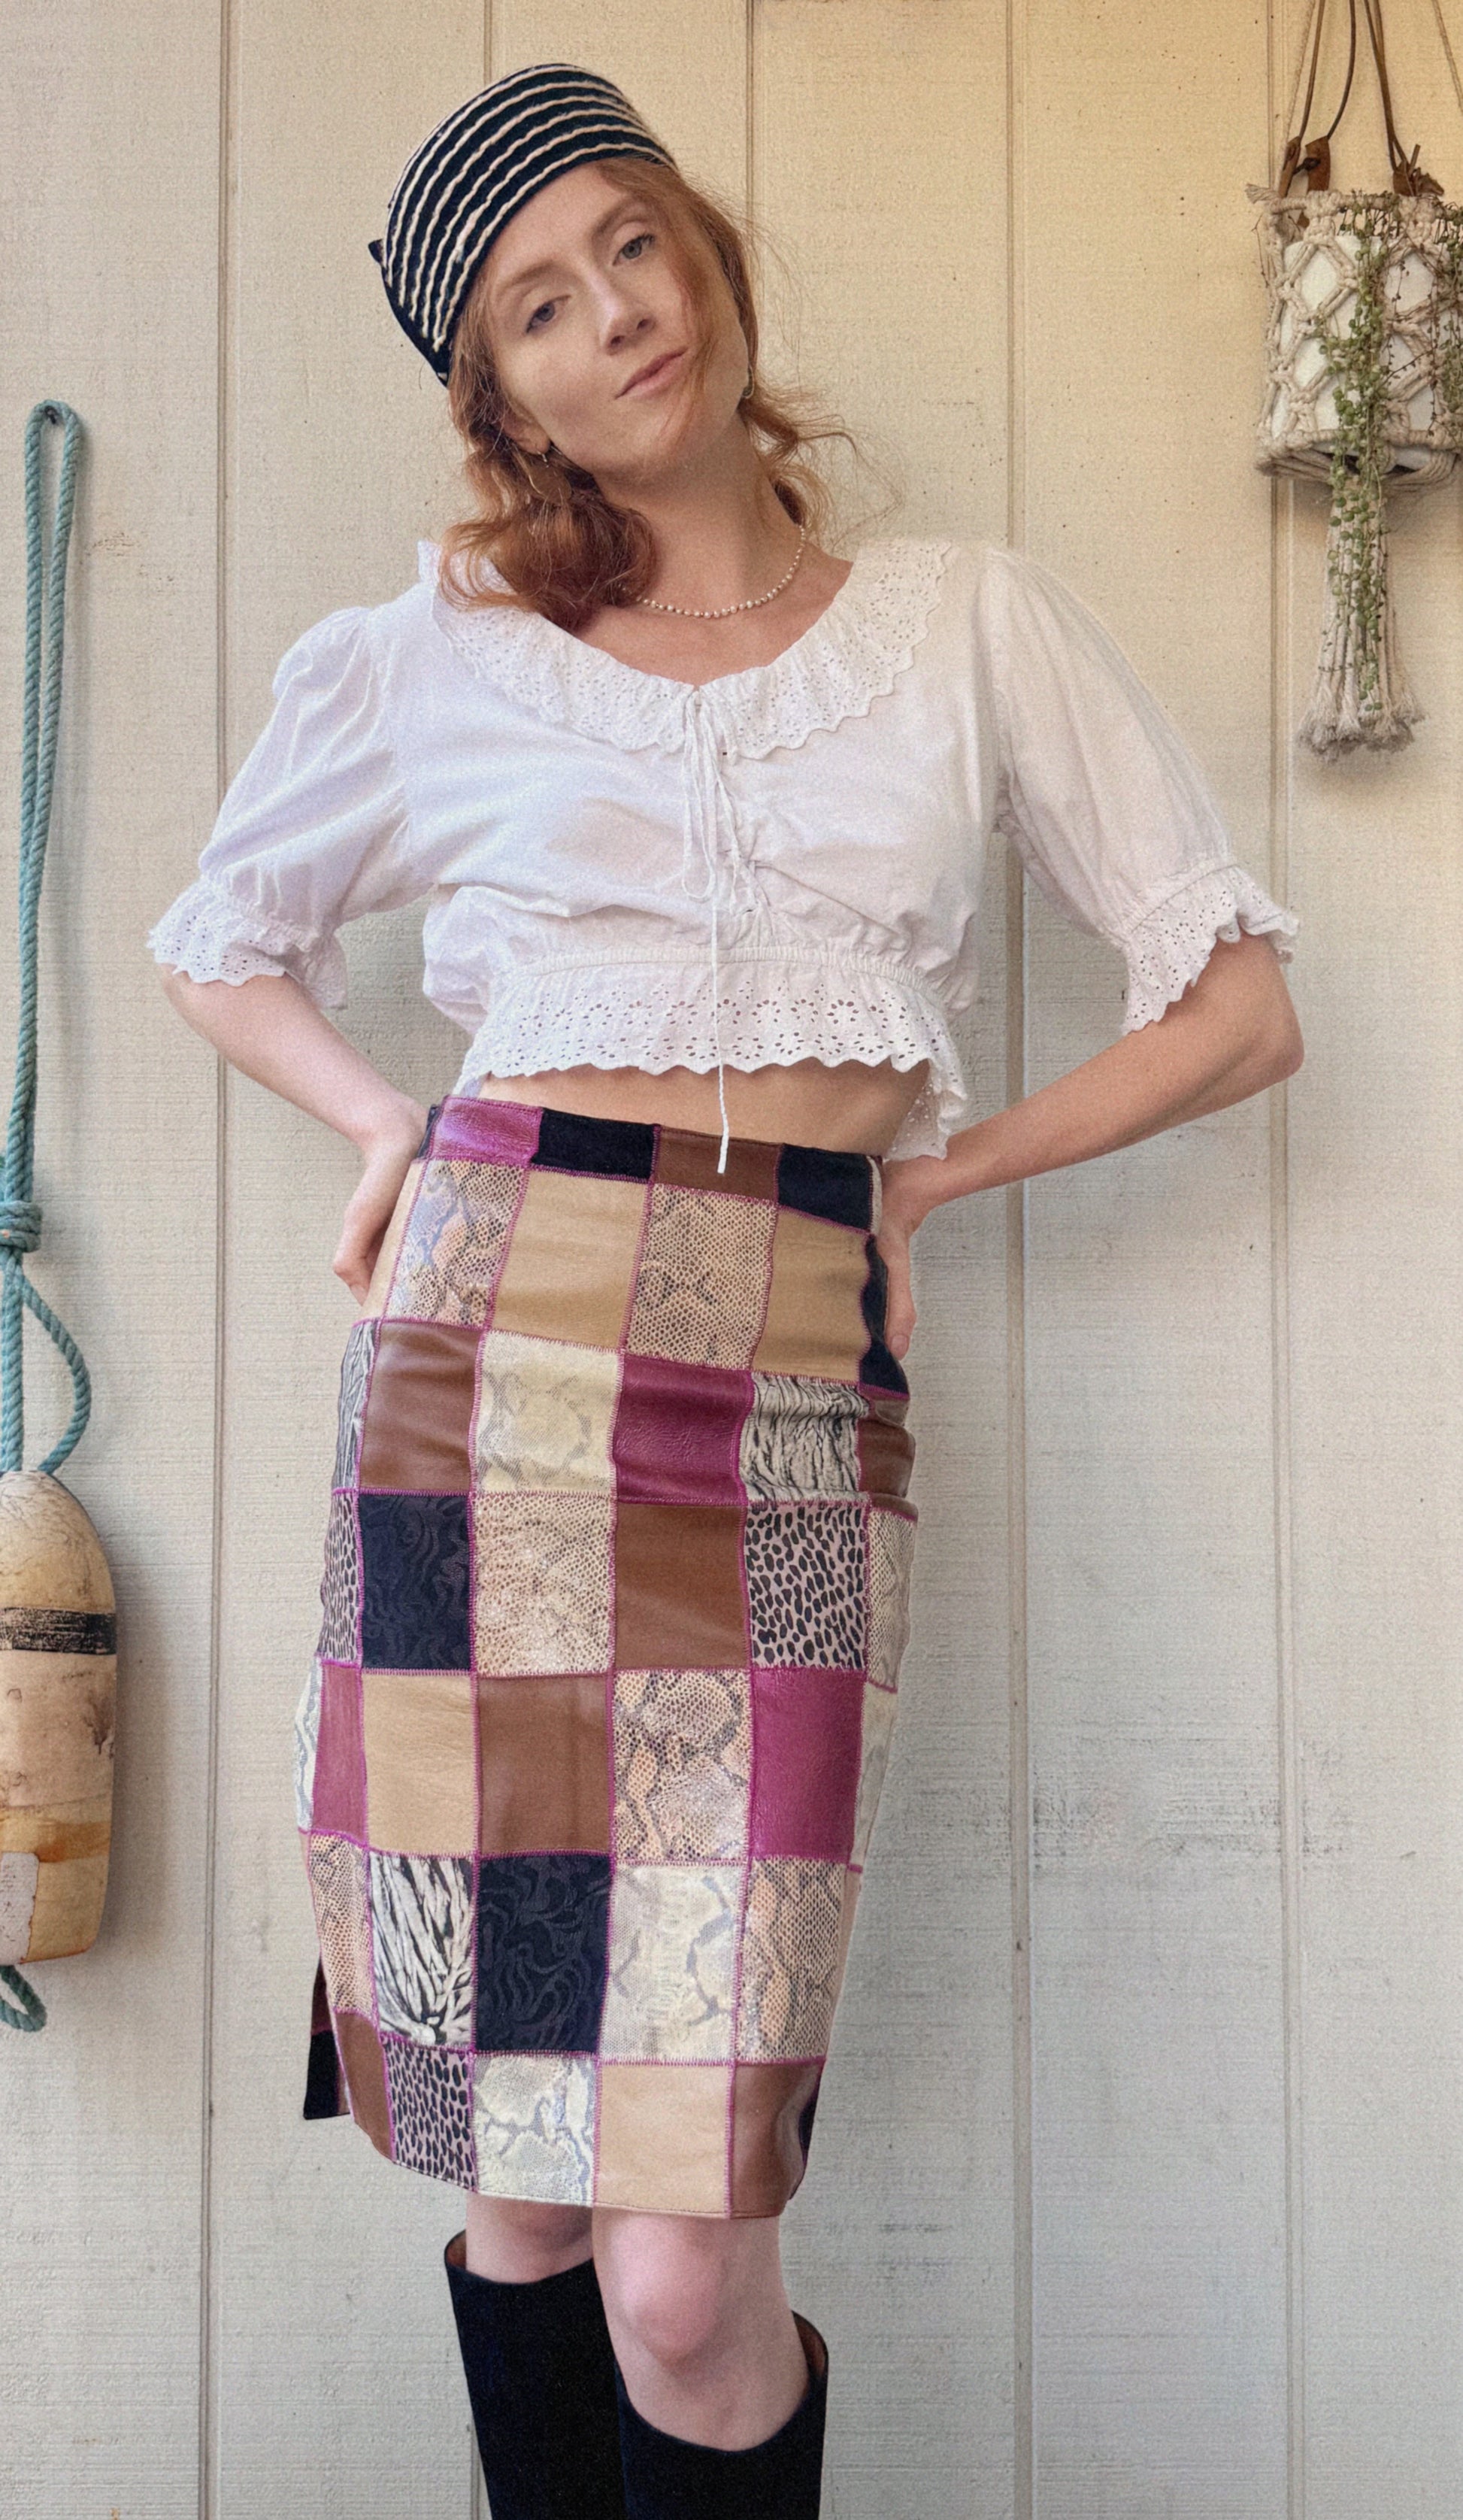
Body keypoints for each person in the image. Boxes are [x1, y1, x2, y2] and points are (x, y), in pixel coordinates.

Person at [146, 61, 1302, 2520]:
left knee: (681, 2263)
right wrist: (379, 1125)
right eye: (533, 310)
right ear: (503, 400)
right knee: (526, 2185)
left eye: (624, 245)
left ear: (700, 250)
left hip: (784, 1392)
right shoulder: (438, 648)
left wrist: (936, 1182)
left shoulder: (966, 624)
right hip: (484, 1370)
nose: (610, 317)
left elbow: (1233, 1010)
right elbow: (219, 943)